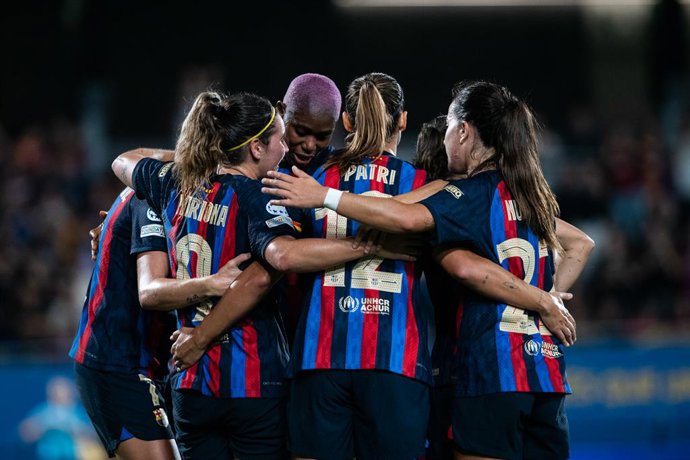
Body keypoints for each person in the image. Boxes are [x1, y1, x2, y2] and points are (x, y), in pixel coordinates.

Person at [262, 80, 595, 460]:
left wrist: (330, 202)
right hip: (407, 361)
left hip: (322, 354)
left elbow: (285, 255)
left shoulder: (312, 177)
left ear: (347, 122)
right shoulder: (455, 189)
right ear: (403, 120)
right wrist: (548, 299)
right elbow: (581, 243)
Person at [110, 90, 408, 460]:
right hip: (251, 380)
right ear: (255, 149)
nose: (287, 149)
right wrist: (366, 246)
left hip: (189, 380)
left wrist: (190, 160)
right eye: (281, 140)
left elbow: (124, 161)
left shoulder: (176, 181)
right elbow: (282, 256)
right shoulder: (259, 196)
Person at [70, 182, 249, 460]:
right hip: (115, 364)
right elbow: (150, 292)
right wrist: (214, 284)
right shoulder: (152, 193)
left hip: (152, 364)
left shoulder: (176, 193)